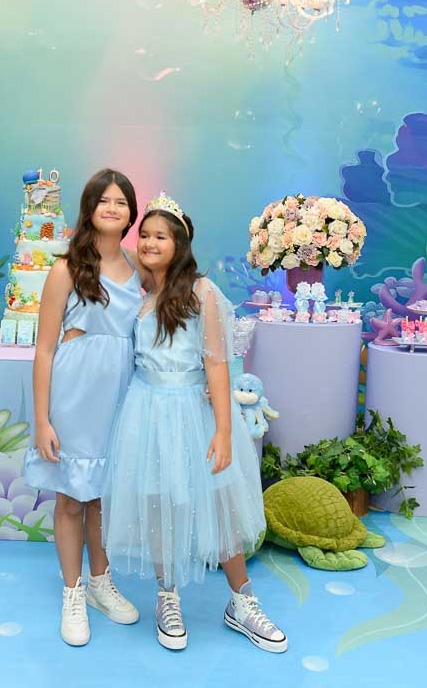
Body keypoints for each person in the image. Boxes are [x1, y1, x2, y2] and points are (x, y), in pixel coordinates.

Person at [102, 192, 287, 653]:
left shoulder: (201, 292)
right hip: (146, 410)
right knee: (159, 500)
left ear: (180, 244)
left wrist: (224, 430)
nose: (149, 243)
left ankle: (242, 601)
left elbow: (217, 365)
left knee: (218, 501)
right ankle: (167, 596)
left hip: (192, 410)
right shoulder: (142, 292)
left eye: (161, 236)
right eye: (145, 235)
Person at [23, 168, 147, 647]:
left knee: (103, 495)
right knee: (72, 496)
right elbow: (45, 350)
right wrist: (42, 419)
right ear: (89, 207)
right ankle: (72, 592)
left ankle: (101, 582)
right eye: (104, 200)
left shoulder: (138, 266)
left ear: (131, 213)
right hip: (75, 393)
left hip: (122, 393)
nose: (112, 209)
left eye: (121, 202)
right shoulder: (66, 269)